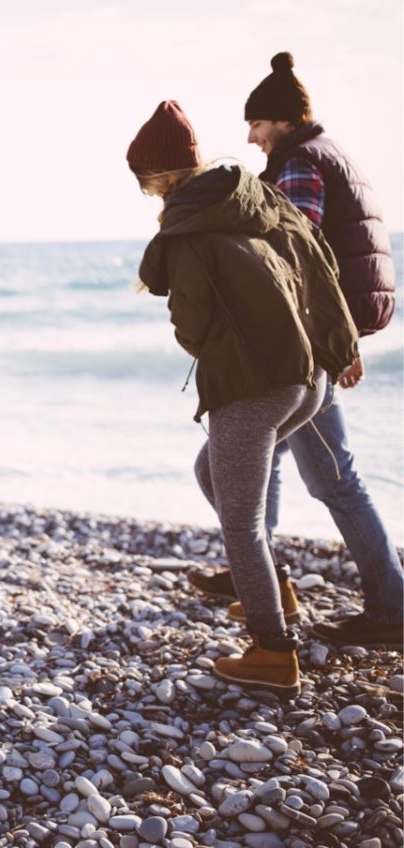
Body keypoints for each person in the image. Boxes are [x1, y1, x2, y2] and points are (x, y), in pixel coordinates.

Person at [127, 101, 358, 696]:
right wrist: (339, 344)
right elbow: (319, 264)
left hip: (255, 386)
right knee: (213, 471)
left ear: (158, 177)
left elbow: (191, 322)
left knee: (241, 522)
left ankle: (273, 653)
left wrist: (210, 343)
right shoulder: (255, 198)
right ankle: (274, 589)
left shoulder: (184, 228)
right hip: (306, 379)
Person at [188, 52, 403, 649]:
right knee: (264, 460)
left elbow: (295, 258)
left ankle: (391, 604)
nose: (250, 136)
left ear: (280, 120)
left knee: (334, 478)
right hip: (320, 340)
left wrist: (335, 344)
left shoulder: (301, 163)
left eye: (255, 124)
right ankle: (260, 573)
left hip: (303, 347)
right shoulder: (330, 154)